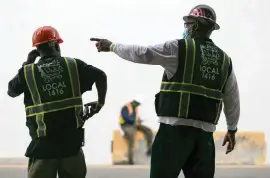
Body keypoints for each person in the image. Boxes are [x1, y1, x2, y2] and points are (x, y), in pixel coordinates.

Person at [90, 4, 240, 178]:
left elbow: (143, 53)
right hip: (204, 137)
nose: (186, 28)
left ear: (196, 26)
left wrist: (112, 46)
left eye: (188, 24)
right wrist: (232, 129)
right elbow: (232, 98)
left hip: (173, 133)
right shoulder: (224, 61)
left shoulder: (179, 48)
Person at [7, 26, 107, 178]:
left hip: (43, 147)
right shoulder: (73, 65)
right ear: (55, 45)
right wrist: (100, 103)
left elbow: (11, 92)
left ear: (37, 49)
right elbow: (100, 75)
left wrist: (27, 62)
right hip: (71, 145)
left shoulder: (28, 71)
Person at [119, 99, 153, 164]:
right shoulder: (126, 107)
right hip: (126, 125)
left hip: (134, 124)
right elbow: (126, 117)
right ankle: (130, 160)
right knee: (131, 136)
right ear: (134, 102)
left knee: (148, 131)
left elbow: (135, 117)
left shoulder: (135, 108)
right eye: (137, 104)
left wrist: (138, 120)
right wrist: (134, 121)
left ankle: (149, 148)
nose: (138, 105)